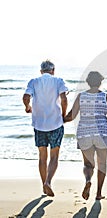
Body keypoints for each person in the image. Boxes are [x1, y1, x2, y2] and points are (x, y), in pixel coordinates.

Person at [64, 71, 107, 200]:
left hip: (84, 133)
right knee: (102, 165)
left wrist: (58, 119)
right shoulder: (106, 97)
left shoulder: (81, 96)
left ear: (88, 82)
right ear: (100, 82)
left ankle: (88, 180)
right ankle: (99, 193)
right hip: (101, 133)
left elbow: (71, 116)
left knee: (88, 165)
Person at [23, 60, 68, 197]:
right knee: (54, 157)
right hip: (55, 124)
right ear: (53, 70)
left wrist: (28, 107)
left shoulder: (34, 81)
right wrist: (63, 115)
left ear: (41, 71)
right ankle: (48, 182)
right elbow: (64, 99)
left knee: (42, 157)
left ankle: (44, 185)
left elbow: (26, 97)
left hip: (39, 124)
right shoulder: (59, 81)